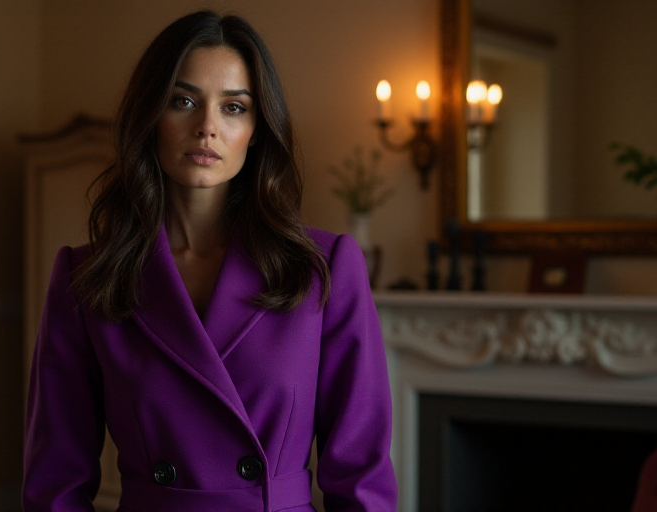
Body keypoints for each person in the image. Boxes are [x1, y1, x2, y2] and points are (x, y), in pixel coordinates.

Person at [23, 10, 397, 512]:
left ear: (258, 129)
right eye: (183, 101)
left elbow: (362, 478)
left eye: (234, 108)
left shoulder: (323, 268)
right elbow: (55, 485)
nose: (207, 127)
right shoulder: (86, 277)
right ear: (150, 117)